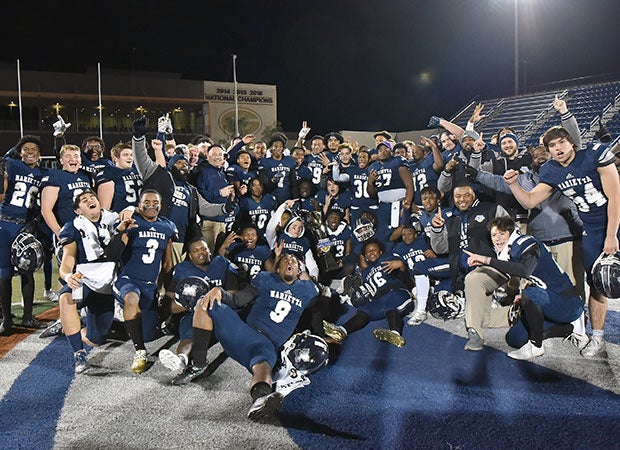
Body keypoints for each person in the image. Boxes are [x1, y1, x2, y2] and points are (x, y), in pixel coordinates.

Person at [504, 121, 620, 358]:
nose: (558, 148)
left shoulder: (593, 155)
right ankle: (597, 337)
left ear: (571, 142)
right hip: (592, 229)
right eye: (552, 146)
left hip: (614, 222)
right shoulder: (550, 170)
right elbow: (529, 201)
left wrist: (611, 236)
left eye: (562, 142)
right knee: (597, 284)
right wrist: (513, 184)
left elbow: (616, 196)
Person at [179, 253, 320, 421]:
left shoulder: (308, 290)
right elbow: (238, 300)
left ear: (300, 270)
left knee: (263, 367)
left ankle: (261, 398)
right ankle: (199, 363)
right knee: (205, 301)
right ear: (277, 268)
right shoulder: (265, 278)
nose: (289, 261)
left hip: (267, 345)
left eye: (294, 262)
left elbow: (319, 308)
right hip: (243, 332)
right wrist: (219, 292)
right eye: (285, 260)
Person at [464, 217, 585, 360]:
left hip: (567, 303)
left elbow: (525, 270)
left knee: (529, 294)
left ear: (511, 233)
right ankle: (568, 327)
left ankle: (535, 347)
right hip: (549, 302)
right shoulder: (510, 250)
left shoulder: (526, 242)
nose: (497, 238)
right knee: (514, 339)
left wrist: (487, 260)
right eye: (494, 235)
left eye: (502, 233)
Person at [57, 190, 134, 373]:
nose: (90, 200)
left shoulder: (115, 219)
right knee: (66, 298)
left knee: (96, 339)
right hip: (85, 279)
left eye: (92, 197)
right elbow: (67, 260)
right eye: (84, 200)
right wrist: (68, 276)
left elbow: (144, 208)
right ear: (78, 210)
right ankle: (79, 354)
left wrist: (131, 208)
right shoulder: (73, 226)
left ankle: (79, 326)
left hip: (108, 283)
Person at [430, 181, 510, 351]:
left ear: (474, 195)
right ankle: (512, 313)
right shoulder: (448, 215)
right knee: (472, 312)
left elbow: (510, 237)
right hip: (458, 271)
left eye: (466, 195)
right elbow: (440, 248)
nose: (462, 200)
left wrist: (499, 260)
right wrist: (436, 230)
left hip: (490, 267)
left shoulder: (491, 209)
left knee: (473, 280)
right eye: (458, 196)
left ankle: (474, 333)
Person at [159, 237, 246, 378]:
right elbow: (170, 301)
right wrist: (191, 303)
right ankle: (181, 359)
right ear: (189, 255)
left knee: (237, 340)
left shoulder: (221, 263)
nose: (201, 252)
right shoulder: (183, 269)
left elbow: (232, 294)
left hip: (220, 311)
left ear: (209, 251)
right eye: (196, 250)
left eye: (204, 248)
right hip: (193, 313)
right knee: (188, 334)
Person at [112, 189, 177, 373]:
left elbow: (167, 263)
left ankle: (119, 322)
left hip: (149, 286)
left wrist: (167, 289)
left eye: (155, 202)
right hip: (128, 280)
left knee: (148, 334)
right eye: (146, 202)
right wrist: (121, 230)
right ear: (139, 205)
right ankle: (140, 352)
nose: (151, 206)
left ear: (161, 205)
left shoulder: (167, 227)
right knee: (131, 299)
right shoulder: (132, 222)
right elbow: (114, 252)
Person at [322, 238, 414, 348]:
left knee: (391, 308)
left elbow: (405, 277)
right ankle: (342, 331)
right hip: (381, 299)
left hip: (398, 293)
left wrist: (401, 265)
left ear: (380, 252)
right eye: (368, 251)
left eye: (374, 250)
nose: (371, 252)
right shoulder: (366, 273)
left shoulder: (388, 258)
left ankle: (395, 334)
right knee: (364, 311)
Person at [0, 136, 48, 334]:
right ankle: (6, 317)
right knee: (4, 273)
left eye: (34, 149)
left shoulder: (43, 173)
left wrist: (34, 222)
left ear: (39, 153)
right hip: (5, 223)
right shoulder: (12, 164)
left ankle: (28, 316)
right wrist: (13, 150)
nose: (30, 152)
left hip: (26, 225)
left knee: (27, 269)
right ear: (19, 152)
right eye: (26, 149)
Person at [96, 141, 142, 212]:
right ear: (115, 158)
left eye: (131, 155)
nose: (130, 158)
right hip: (120, 216)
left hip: (141, 214)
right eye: (126, 155)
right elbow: (104, 208)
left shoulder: (138, 170)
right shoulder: (109, 173)